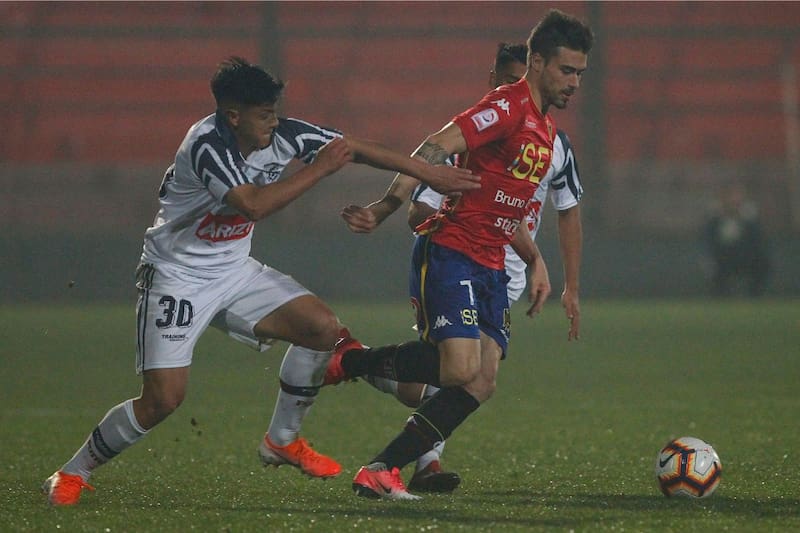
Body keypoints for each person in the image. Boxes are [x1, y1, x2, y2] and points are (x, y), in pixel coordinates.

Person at [41, 56, 480, 506]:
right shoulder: (207, 145)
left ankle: (281, 440)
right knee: (162, 400)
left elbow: (355, 148)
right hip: (177, 277)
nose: (274, 121)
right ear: (234, 116)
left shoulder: (283, 133)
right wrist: (320, 168)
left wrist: (430, 173)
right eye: (264, 114)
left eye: (275, 112)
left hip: (233, 269)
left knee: (321, 329)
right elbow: (253, 205)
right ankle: (73, 471)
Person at [327, 9, 593, 500]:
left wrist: (535, 260)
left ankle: (382, 468)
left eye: (580, 73)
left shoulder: (546, 128)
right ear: (537, 62)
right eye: (566, 70)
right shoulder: (506, 107)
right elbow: (435, 146)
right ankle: (352, 361)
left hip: (493, 264)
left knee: (481, 381)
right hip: (454, 251)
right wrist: (390, 204)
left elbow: (505, 202)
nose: (574, 82)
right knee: (457, 370)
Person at [705, 183, 770, 297]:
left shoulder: (749, 219)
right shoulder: (716, 220)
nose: (734, 200)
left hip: (746, 257)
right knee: (715, 266)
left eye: (737, 196)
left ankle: (755, 295)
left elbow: (757, 239)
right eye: (731, 196)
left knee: (763, 263)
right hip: (723, 259)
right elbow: (708, 240)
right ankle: (721, 295)